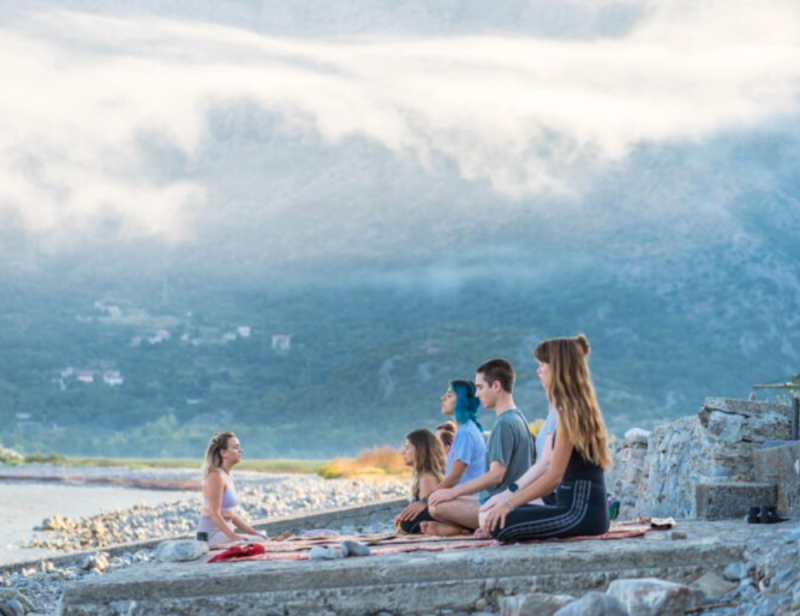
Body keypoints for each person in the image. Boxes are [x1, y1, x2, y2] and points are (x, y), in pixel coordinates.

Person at [481, 335, 611, 542]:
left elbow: (553, 477)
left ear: (558, 369)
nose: (539, 370)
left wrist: (509, 504)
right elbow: (546, 468)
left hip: (578, 513)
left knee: (500, 522)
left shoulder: (570, 413)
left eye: (543, 364)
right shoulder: (571, 409)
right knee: (494, 517)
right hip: (579, 510)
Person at [424, 360, 534, 536]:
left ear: (496, 386)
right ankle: (464, 526)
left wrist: (452, 492)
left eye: (481, 387)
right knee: (443, 498)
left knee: (436, 506)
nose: (477, 394)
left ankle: (473, 526)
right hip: (507, 500)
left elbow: (496, 474)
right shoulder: (519, 418)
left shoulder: (504, 424)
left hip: (501, 505)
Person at [397, 381, 488, 530]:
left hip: (471, 502)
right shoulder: (464, 431)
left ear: (461, 401)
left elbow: (454, 477)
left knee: (414, 519)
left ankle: (460, 528)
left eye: (449, 395)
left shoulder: (466, 433)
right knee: (411, 519)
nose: (442, 398)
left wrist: (424, 502)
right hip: (462, 499)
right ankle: (456, 527)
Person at [196, 432, 267, 544]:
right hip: (211, 537)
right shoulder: (216, 476)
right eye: (235, 447)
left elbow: (232, 516)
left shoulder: (228, 476)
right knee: (259, 543)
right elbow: (214, 513)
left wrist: (255, 533)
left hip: (224, 534)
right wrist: (234, 537)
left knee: (262, 538)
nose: (240, 450)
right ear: (223, 453)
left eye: (239, 447)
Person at [394, 429, 446, 534]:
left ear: (419, 450)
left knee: (406, 525)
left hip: (435, 524)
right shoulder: (424, 476)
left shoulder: (427, 477)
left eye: (407, 447)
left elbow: (429, 515)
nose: (403, 452)